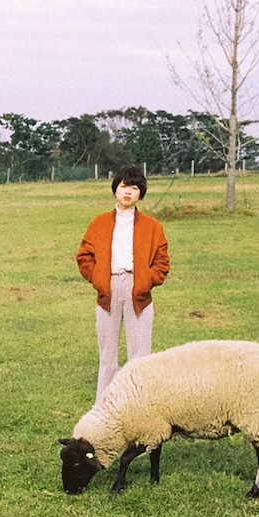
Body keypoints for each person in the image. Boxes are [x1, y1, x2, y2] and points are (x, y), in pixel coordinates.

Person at [76, 166, 170, 401]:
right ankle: (105, 407)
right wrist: (99, 279)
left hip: (138, 290)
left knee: (140, 355)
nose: (128, 192)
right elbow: (84, 256)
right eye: (124, 186)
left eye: (134, 187)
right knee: (108, 355)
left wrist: (146, 281)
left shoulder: (152, 227)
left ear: (141, 193)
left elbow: (162, 261)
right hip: (108, 289)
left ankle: (138, 406)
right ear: (115, 189)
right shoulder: (99, 223)